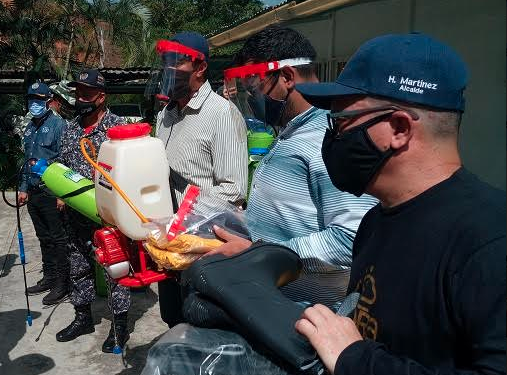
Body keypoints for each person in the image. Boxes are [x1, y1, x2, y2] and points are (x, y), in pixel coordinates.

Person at [288, 33, 506, 375]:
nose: (332, 137)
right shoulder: (376, 221)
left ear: (399, 128)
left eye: (341, 121)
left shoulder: (490, 241)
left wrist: (355, 361)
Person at [206, 25, 378, 307]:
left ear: (286, 77)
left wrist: (258, 253)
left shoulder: (326, 141)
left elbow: (352, 238)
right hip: (275, 303)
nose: (251, 98)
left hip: (307, 318)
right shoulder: (288, 131)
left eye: (255, 86)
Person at [152, 31, 247, 327]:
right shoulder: (164, 115)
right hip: (168, 244)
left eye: (176, 62)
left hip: (201, 246)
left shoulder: (222, 114)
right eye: (165, 61)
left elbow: (233, 191)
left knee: (199, 324)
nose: (169, 69)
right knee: (172, 316)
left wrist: (185, 221)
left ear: (200, 67)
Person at [53, 69, 132, 352]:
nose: (80, 97)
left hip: (108, 217)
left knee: (116, 270)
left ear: (101, 96)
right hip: (75, 215)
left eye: (86, 93)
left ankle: (119, 327)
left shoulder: (117, 128)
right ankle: (82, 317)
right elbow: (63, 166)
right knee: (78, 266)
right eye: (77, 92)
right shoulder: (71, 128)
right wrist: (61, 194)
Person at [19, 82, 70, 305]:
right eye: (31, 100)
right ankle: (48, 277)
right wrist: (22, 188)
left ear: (48, 101)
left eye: (39, 100)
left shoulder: (59, 125)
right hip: (33, 191)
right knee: (44, 238)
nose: (35, 104)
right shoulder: (29, 127)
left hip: (52, 192)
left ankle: (62, 283)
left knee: (59, 239)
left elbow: (66, 161)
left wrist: (63, 194)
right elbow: (25, 160)